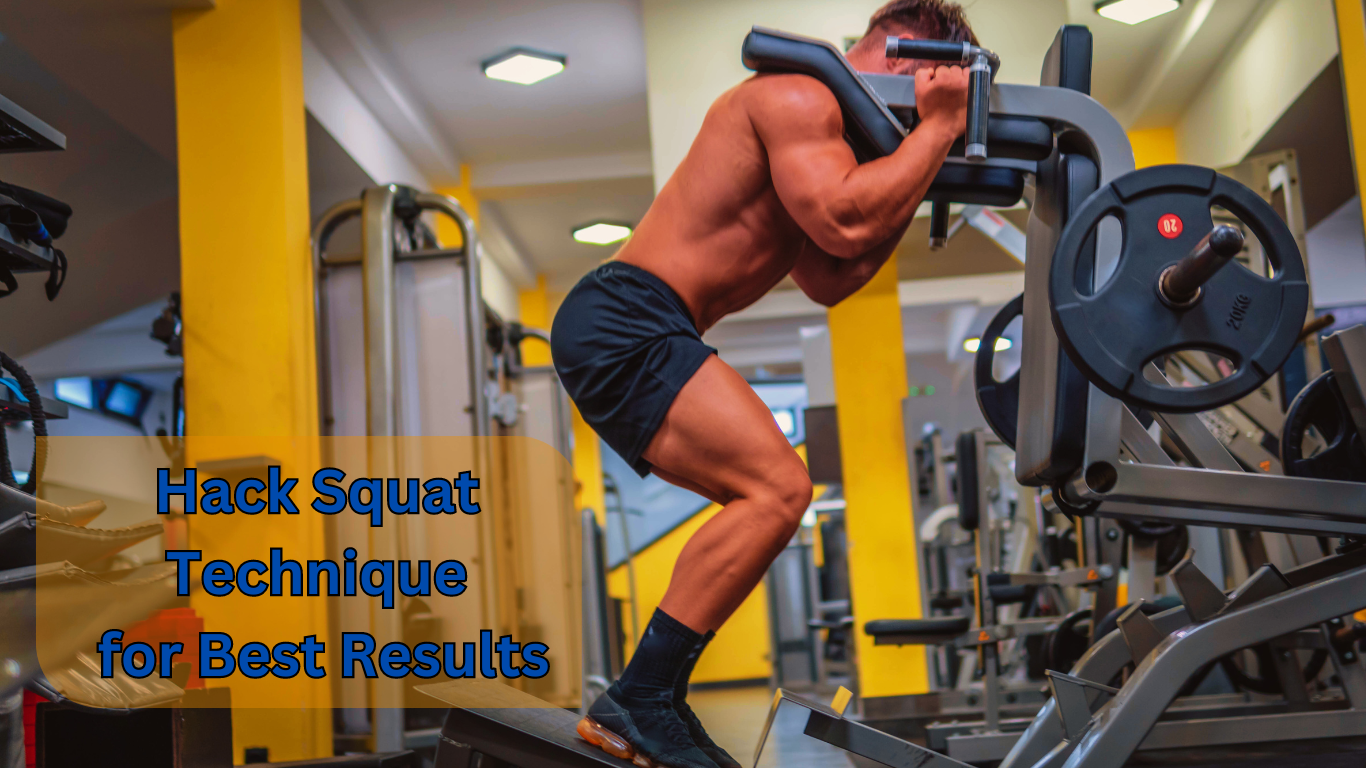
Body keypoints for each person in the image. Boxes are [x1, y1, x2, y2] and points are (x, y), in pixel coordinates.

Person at [551, 2, 976, 767]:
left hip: (639, 324)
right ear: (914, 61)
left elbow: (830, 276)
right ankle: (644, 696)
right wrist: (940, 131)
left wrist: (920, 162)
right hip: (627, 315)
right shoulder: (798, 95)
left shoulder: (827, 133)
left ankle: (651, 699)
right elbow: (847, 224)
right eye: (929, 87)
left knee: (764, 497)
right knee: (780, 489)